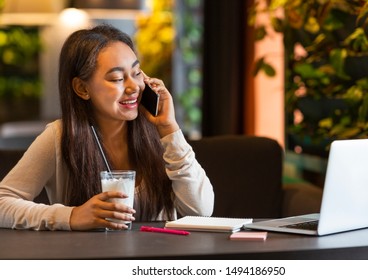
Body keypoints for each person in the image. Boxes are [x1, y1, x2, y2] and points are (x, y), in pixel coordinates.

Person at [0, 24, 214, 231]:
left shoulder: (159, 131)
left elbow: (201, 211)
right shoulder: (61, 136)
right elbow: (3, 203)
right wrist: (71, 216)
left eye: (137, 73)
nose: (133, 87)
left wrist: (169, 130)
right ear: (82, 88)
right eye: (117, 78)